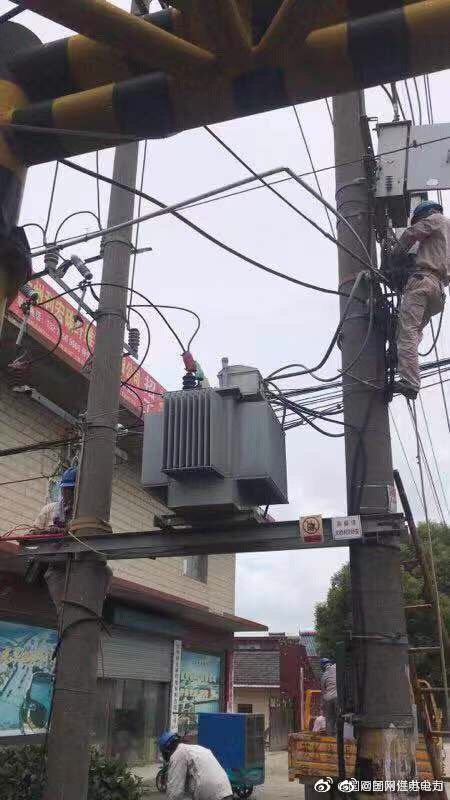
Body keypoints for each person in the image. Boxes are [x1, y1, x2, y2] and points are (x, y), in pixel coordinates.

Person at [392, 200, 450, 399]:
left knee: (407, 331)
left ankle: (410, 381)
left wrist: (395, 254)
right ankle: (402, 359)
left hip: (422, 282)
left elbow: (411, 233)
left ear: (426, 213)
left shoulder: (436, 219)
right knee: (414, 332)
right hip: (438, 291)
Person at [158, 731, 233, 800]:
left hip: (213, 795)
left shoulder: (178, 754)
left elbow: (175, 792)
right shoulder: (198, 749)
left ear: (167, 750)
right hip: (226, 791)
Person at [31, 467, 77, 533]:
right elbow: (32, 532)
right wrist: (46, 531)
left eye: (71, 489)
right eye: (65, 488)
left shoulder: (79, 514)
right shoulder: (49, 509)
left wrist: (63, 530)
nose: (67, 492)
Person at [320, 658, 337, 735]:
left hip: (328, 698)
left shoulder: (324, 676)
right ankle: (338, 736)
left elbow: (323, 691)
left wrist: (323, 705)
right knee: (339, 718)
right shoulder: (336, 668)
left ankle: (330, 736)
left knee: (329, 719)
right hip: (338, 697)